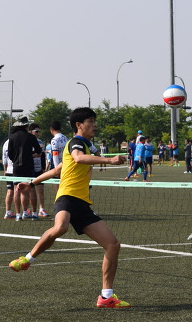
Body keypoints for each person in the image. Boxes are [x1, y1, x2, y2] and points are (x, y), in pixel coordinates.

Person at [9, 107, 131, 308]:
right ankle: (27, 259)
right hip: (67, 197)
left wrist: (31, 183)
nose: (95, 125)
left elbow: (57, 170)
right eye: (90, 121)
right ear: (79, 125)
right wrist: (109, 160)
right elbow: (78, 158)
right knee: (61, 227)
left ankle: (106, 296)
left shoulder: (85, 145)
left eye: (95, 121)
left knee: (113, 245)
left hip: (82, 203)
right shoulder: (76, 143)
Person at [7, 116, 41, 220]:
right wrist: (30, 154)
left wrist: (15, 160)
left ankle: (18, 214)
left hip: (16, 166)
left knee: (17, 190)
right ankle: (32, 213)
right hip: (28, 166)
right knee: (30, 189)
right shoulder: (31, 137)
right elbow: (39, 150)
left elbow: (10, 154)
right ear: (27, 126)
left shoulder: (12, 137)